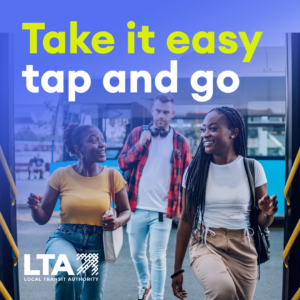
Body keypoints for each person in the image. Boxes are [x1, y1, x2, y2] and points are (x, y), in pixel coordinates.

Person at [171, 106, 278, 300]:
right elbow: (186, 220)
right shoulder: (194, 172)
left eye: (213, 128)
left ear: (233, 133)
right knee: (223, 291)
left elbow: (262, 222)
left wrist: (268, 213)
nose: (205, 134)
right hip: (206, 242)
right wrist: (177, 270)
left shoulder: (253, 168)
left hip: (244, 247)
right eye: (203, 129)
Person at [27, 123, 131, 300]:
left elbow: (126, 211)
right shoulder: (61, 175)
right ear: (79, 149)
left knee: (92, 297)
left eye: (102, 140)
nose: (102, 144)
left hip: (98, 246)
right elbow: (43, 217)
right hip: (65, 238)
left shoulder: (113, 176)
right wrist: (35, 208)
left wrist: (118, 222)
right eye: (93, 140)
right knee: (69, 270)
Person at [118, 93, 192, 300]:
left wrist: (182, 210)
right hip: (136, 208)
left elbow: (188, 180)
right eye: (158, 111)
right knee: (136, 254)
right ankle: (145, 285)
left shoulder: (181, 143)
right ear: (152, 110)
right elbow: (122, 163)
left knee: (158, 257)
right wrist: (140, 144)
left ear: (172, 114)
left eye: (166, 112)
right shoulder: (137, 134)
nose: (161, 115)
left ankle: (157, 298)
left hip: (163, 211)